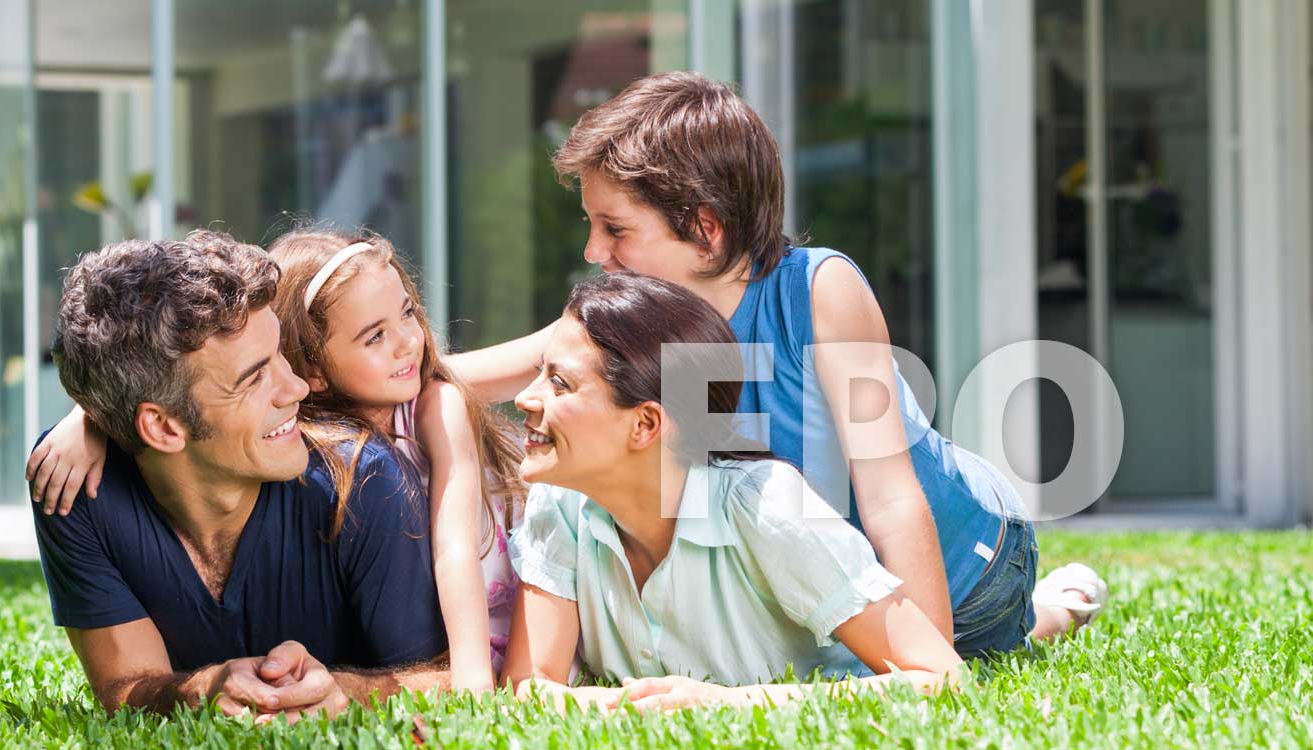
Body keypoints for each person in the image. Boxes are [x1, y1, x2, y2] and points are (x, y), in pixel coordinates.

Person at [449, 71, 1106, 656]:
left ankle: (1057, 606)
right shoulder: (652, 321)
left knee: (986, 642)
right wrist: (378, 369)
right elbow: (509, 365)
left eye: (616, 229)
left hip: (970, 566)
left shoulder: (820, 293)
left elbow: (892, 496)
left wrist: (925, 657)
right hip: (835, 586)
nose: (596, 249)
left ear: (705, 229)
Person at [30, 225, 527, 692]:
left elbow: (445, 677)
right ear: (160, 427)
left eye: (281, 355)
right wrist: (92, 414)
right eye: (254, 378)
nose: (294, 389)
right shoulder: (72, 481)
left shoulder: (373, 467)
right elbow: (126, 689)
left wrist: (353, 693)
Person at [502, 273, 965, 709]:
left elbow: (941, 677)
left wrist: (724, 703)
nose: (525, 397)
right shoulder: (559, 500)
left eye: (559, 383)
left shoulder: (769, 507)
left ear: (645, 424)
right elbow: (529, 684)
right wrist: (624, 705)